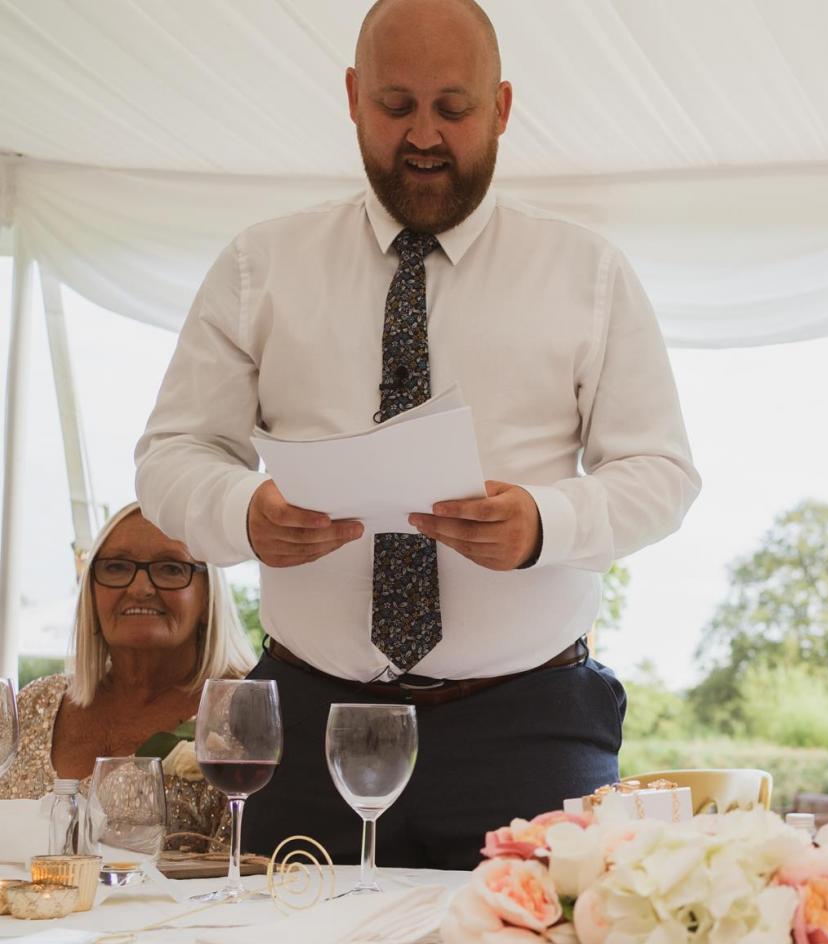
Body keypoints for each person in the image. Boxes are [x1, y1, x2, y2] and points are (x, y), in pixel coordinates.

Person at [135, 0, 700, 870]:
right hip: (306, 726)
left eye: (453, 108)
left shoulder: (587, 273)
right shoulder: (260, 266)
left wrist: (544, 525)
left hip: (530, 727)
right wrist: (244, 512)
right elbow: (170, 454)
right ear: (353, 99)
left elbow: (661, 473)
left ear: (501, 107)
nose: (424, 135)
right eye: (396, 106)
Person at [0, 504, 256, 848]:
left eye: (170, 568)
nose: (140, 588)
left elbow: (255, 864)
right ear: (92, 592)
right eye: (116, 567)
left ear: (208, 595)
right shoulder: (34, 704)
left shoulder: (244, 711)